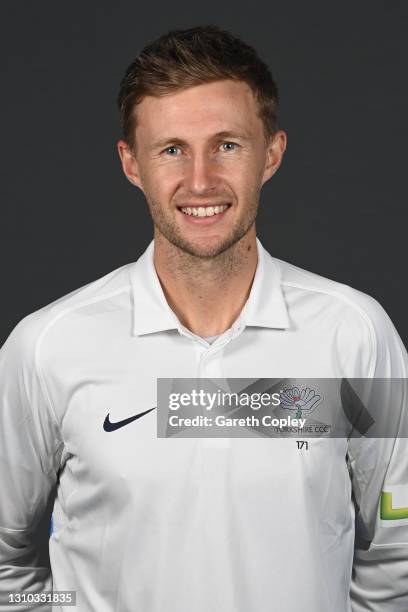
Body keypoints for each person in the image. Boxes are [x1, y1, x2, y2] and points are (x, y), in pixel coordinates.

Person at [0, 24, 407, 612]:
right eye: (171, 150)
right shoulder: (46, 347)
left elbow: (397, 540)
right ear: (131, 163)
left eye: (227, 145)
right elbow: (7, 557)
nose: (200, 181)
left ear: (271, 154)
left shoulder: (356, 335)